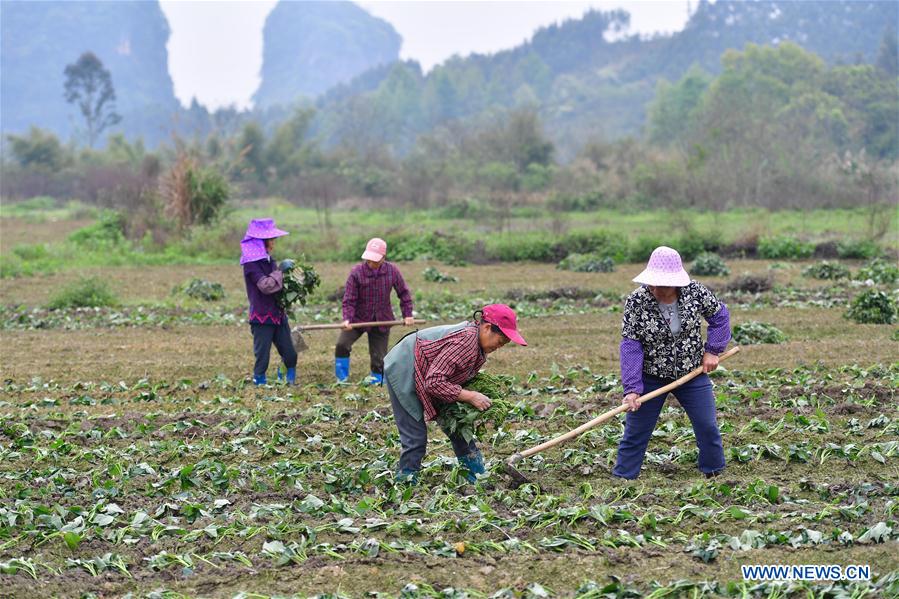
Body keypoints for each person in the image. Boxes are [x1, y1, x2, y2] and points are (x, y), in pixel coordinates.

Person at [614, 246, 731, 480]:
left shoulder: (695, 292)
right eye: (653, 283)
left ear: (677, 283)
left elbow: (719, 316)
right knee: (636, 430)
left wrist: (713, 351)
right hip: (651, 376)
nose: (656, 289)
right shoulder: (637, 301)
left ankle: (715, 473)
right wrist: (633, 389)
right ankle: (623, 478)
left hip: (692, 373)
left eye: (663, 285)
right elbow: (631, 344)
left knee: (707, 426)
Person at [383, 304, 527, 483]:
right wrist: (471, 396)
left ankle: (476, 475)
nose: (500, 346)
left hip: (429, 372)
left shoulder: (478, 345)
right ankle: (405, 482)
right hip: (405, 366)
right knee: (415, 436)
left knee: (458, 424)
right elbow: (434, 382)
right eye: (500, 341)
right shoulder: (465, 342)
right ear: (487, 328)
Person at [335, 237, 414, 384]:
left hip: (381, 319)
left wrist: (407, 314)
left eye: (375, 260)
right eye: (369, 259)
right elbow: (349, 299)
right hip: (358, 318)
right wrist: (347, 318)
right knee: (342, 344)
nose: (371, 263)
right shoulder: (357, 273)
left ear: (383, 257)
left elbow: (403, 293)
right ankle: (341, 379)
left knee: (379, 358)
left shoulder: (392, 271)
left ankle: (376, 382)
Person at [240, 218, 297, 386]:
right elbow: (266, 286)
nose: (274, 243)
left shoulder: (269, 260)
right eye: (272, 240)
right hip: (261, 317)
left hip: (278, 314)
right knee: (262, 355)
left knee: (290, 353)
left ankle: (288, 381)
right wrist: (280, 271)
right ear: (261, 242)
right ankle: (259, 383)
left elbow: (279, 284)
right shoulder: (251, 265)